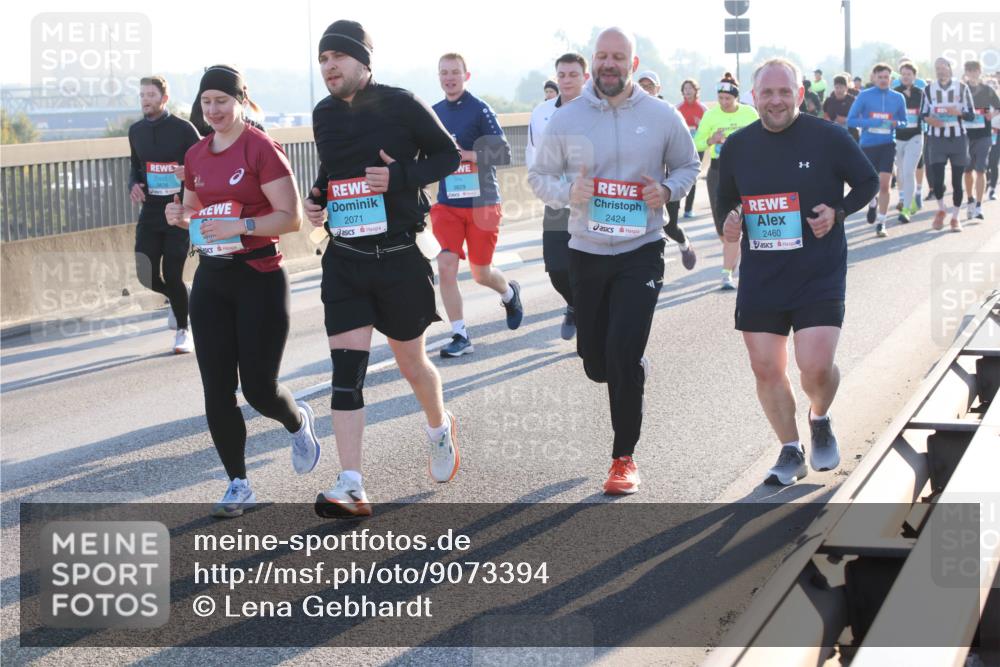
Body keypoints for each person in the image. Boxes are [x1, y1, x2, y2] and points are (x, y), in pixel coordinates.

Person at [529, 27, 699, 495]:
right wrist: (569, 193)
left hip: (641, 250)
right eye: (602, 56)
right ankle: (616, 364)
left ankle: (623, 457)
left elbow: (689, 166)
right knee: (595, 362)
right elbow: (538, 175)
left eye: (617, 57)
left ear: (633, 64)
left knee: (624, 354)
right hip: (586, 250)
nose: (609, 64)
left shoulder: (662, 116)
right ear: (591, 62)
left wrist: (665, 191)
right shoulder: (568, 118)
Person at [302, 20, 462, 518]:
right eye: (323, 58)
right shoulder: (323, 115)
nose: (329, 66)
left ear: (363, 62)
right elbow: (335, 168)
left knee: (411, 365)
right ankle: (351, 484)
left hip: (398, 257)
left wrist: (399, 176)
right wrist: (317, 195)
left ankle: (439, 427)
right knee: (346, 375)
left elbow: (448, 157)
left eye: (338, 57)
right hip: (346, 258)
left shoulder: (402, 104)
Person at [164, 65, 321, 517]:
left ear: (240, 101)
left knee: (258, 389)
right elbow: (192, 207)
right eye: (206, 102)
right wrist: (180, 216)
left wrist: (242, 225)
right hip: (212, 278)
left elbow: (289, 217)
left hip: (259, 275)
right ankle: (238, 482)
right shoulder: (195, 154)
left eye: (221, 101)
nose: (213, 110)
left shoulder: (260, 147)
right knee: (216, 388)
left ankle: (297, 421)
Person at [718, 58, 879, 486]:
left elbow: (867, 182)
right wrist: (730, 223)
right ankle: (790, 450)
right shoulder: (736, 147)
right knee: (766, 368)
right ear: (754, 98)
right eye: (767, 93)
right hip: (763, 275)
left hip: (817, 270)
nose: (776, 100)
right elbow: (725, 205)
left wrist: (838, 211)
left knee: (816, 366)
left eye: (784, 91)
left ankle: (820, 416)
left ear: (800, 94)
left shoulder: (829, 137)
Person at [431, 53, 520, 358]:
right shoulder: (433, 113)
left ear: (466, 76)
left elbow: (504, 153)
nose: (449, 78)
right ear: (439, 77)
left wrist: (468, 155)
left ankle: (509, 293)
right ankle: (460, 334)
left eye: (455, 72)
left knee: (481, 273)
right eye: (444, 73)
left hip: (482, 202)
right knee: (446, 265)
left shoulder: (479, 109)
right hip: (448, 205)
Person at [128, 76, 201, 354]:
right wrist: (133, 184)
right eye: (142, 95)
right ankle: (181, 296)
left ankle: (183, 331)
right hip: (151, 212)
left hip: (178, 211)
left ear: (164, 99)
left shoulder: (183, 129)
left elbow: (205, 159)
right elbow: (135, 166)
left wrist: (189, 174)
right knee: (145, 275)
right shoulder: (136, 131)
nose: (145, 100)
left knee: (172, 273)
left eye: (150, 95)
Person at [526, 52, 590, 340]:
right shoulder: (541, 113)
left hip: (591, 203)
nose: (566, 80)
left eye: (573, 75)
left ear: (585, 77)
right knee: (556, 267)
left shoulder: (598, 110)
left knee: (587, 265)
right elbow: (532, 154)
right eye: (562, 75)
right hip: (557, 198)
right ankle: (576, 304)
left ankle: (591, 313)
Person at [692, 72, 759, 290]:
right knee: (723, 226)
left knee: (743, 221)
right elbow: (698, 142)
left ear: (736, 98)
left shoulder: (749, 113)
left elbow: (763, 136)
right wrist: (713, 139)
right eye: (720, 98)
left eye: (728, 99)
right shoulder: (711, 116)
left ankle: (727, 272)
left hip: (746, 171)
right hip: (719, 172)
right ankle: (732, 254)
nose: (723, 102)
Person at [637, 69, 697, 270]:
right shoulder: (628, 113)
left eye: (650, 86)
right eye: (641, 86)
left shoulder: (668, 114)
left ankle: (684, 244)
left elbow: (685, 160)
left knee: (669, 226)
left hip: (666, 182)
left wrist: (669, 186)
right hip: (638, 185)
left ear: (658, 88)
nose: (645, 90)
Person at [847, 63, 907, 237]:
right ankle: (872, 203)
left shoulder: (898, 98)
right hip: (867, 145)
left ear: (891, 79)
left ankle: (882, 222)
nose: (883, 80)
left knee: (885, 185)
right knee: (871, 184)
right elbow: (851, 120)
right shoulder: (864, 96)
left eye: (886, 77)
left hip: (888, 144)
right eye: (880, 77)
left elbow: (904, 121)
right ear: (873, 78)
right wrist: (871, 122)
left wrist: (897, 123)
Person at [922, 57, 976, 231]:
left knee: (956, 181)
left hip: (958, 138)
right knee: (937, 180)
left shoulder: (962, 87)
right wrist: (930, 120)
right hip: (937, 138)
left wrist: (958, 112)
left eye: (943, 67)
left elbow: (971, 115)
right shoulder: (929, 90)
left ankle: (955, 217)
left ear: (950, 68)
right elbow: (923, 114)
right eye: (937, 68)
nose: (940, 71)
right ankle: (941, 209)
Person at [961, 60, 1000, 220]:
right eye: (969, 70)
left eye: (975, 70)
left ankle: (979, 205)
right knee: (968, 170)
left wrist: (992, 114)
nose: (972, 73)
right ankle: (970, 200)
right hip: (966, 135)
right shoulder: (961, 90)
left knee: (981, 169)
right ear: (966, 73)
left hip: (984, 134)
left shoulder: (987, 90)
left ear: (980, 71)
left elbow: (998, 106)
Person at [894, 62, 926, 223]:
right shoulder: (895, 93)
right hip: (898, 138)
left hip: (915, 137)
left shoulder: (921, 93)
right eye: (903, 74)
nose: (906, 77)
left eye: (909, 74)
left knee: (908, 171)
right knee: (900, 172)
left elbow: (927, 113)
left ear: (914, 76)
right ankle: (910, 200)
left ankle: (906, 209)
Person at [677, 79, 708, 219]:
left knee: (692, 177)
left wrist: (700, 125)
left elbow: (708, 129)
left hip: (697, 148)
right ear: (682, 92)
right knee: (677, 176)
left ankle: (688, 209)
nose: (688, 91)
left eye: (690, 88)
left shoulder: (703, 109)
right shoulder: (677, 108)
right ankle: (675, 206)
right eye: (685, 89)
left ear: (696, 91)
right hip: (681, 147)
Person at [823, 75, 857, 141]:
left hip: (850, 134)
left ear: (846, 88)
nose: (839, 90)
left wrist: (846, 120)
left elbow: (859, 117)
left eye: (841, 87)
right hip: (832, 132)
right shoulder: (829, 100)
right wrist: (828, 120)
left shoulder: (853, 100)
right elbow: (825, 113)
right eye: (836, 87)